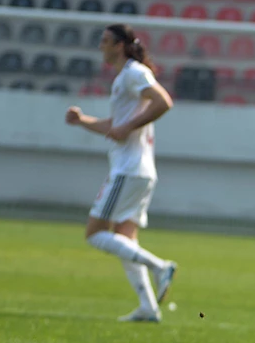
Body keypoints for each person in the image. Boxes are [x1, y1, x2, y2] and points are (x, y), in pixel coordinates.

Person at [65, 23, 177, 322]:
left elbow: (163, 102)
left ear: (119, 45)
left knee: (94, 233)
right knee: (125, 239)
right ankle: (149, 308)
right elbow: (115, 127)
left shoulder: (134, 73)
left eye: (104, 41)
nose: (100, 46)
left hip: (128, 169)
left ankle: (160, 266)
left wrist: (127, 126)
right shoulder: (124, 78)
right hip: (139, 170)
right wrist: (83, 121)